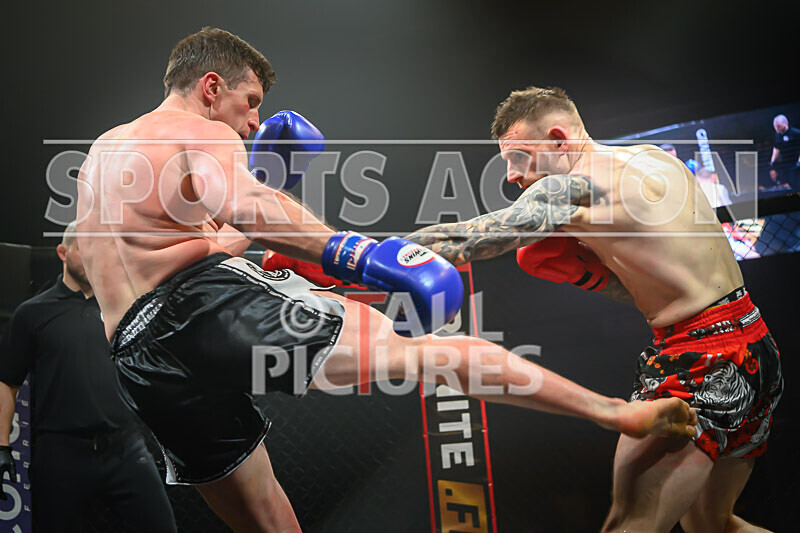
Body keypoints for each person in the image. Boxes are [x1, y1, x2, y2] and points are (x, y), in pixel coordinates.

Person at [74, 28, 695, 533]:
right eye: (250, 102)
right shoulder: (203, 131)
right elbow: (242, 211)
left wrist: (263, 202)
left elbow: (105, 256)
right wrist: (359, 254)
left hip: (134, 353)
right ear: (212, 87)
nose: (253, 123)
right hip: (205, 307)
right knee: (424, 354)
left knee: (263, 518)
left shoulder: (103, 153)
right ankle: (615, 412)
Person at [405, 86, 783, 533]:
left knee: (630, 523)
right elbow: (663, 284)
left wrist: (351, 253)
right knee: (714, 526)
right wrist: (592, 275)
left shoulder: (575, 187)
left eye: (520, 156)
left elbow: (467, 240)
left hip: (701, 359)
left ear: (560, 140)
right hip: (756, 344)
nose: (511, 174)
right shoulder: (653, 158)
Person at [0, 223, 176, 533]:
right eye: (86, 248)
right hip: (60, 454)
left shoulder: (122, 306)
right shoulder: (33, 313)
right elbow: (7, 381)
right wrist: (1, 444)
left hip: (125, 446)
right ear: (63, 252)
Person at [769, 114, 800, 192]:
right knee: (790, 185)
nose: (776, 128)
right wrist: (772, 161)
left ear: (786, 123)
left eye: (778, 126)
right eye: (775, 126)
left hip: (796, 163)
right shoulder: (777, 135)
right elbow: (776, 148)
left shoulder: (795, 133)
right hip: (787, 164)